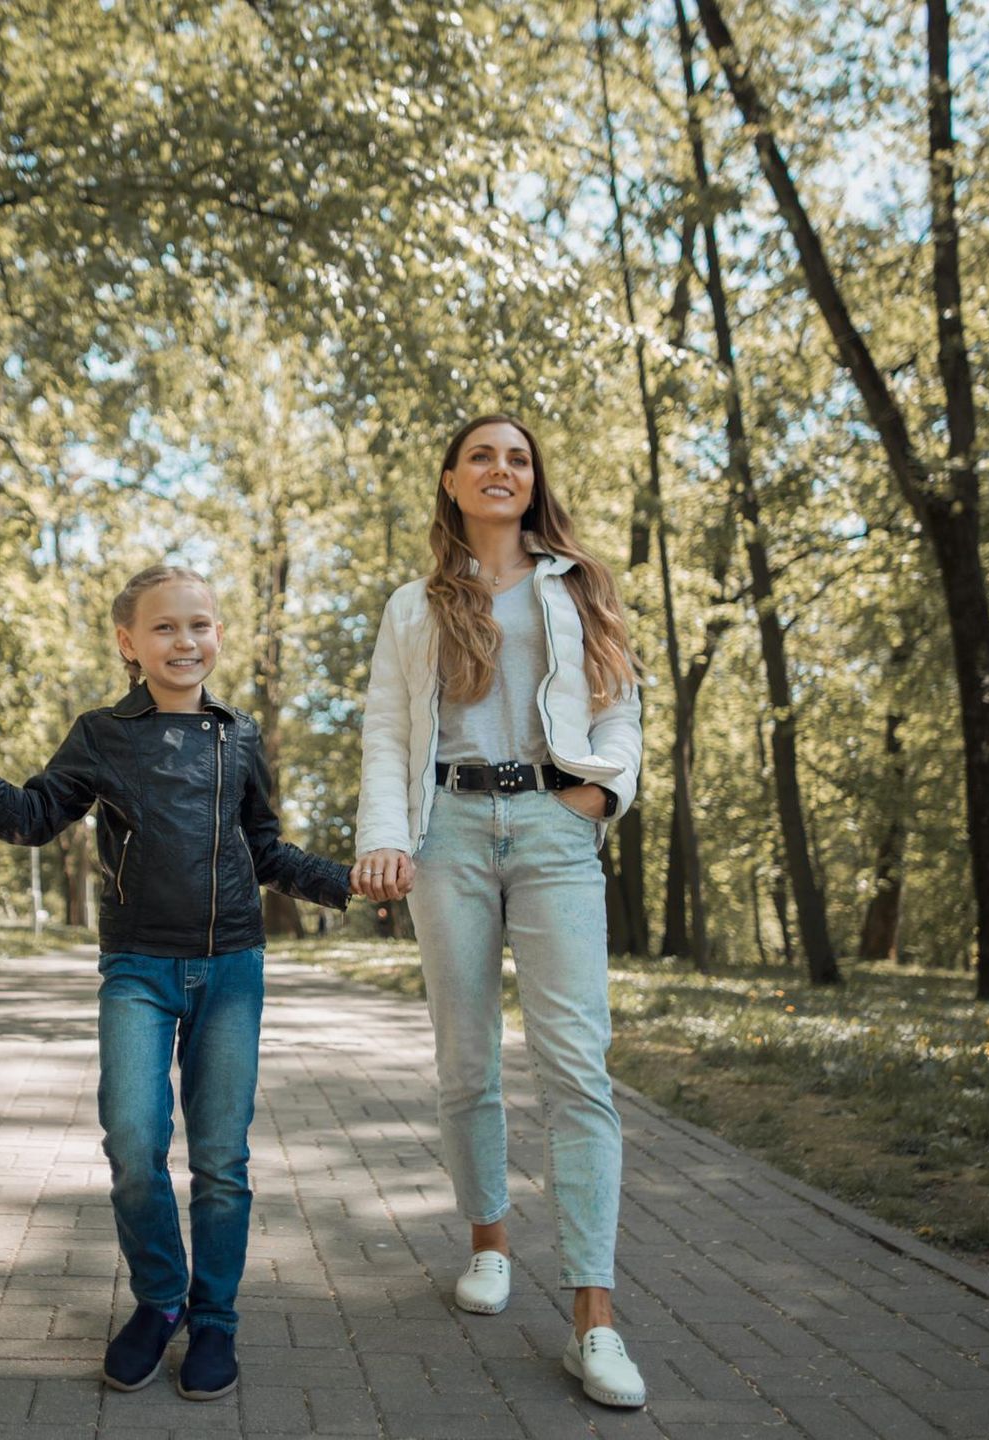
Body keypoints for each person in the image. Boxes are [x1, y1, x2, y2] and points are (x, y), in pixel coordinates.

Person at [0, 565, 353, 1403]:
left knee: (222, 1159)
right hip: (137, 968)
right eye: (164, 627)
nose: (185, 641)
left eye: (200, 624)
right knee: (132, 1145)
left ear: (219, 635)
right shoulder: (102, 733)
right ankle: (160, 1300)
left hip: (231, 969)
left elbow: (265, 849)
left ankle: (217, 1320)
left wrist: (349, 883)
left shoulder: (241, 735)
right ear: (129, 643)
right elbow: (30, 817)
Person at [352, 415, 648, 1409]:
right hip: (449, 834)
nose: (501, 468)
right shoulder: (414, 604)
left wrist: (601, 797)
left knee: (576, 1063)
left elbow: (620, 706)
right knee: (466, 1056)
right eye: (482, 455)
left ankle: (594, 1321)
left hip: (554, 827)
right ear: (450, 479)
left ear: (535, 481)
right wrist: (385, 835)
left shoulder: (580, 584)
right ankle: (488, 1244)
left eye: (518, 457)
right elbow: (389, 730)